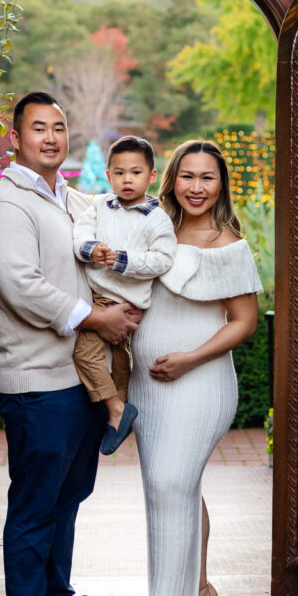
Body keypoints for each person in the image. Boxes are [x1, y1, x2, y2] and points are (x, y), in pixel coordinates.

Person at [0, 91, 140, 596]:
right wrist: (98, 318)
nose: (50, 137)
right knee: (35, 503)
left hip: (75, 380)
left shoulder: (70, 200)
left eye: (59, 127)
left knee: (69, 495)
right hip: (35, 382)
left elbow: (120, 220)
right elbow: (21, 288)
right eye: (38, 128)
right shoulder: (7, 206)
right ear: (15, 138)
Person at [128, 140, 263, 596]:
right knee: (175, 488)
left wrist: (187, 358)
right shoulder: (150, 227)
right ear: (172, 179)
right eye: (188, 176)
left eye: (208, 177)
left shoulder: (229, 245)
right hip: (148, 387)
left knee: (169, 485)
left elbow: (243, 322)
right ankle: (199, 591)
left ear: (221, 184)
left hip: (202, 383)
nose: (197, 187)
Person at [72, 136, 177, 451]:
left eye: (135, 172)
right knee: (117, 359)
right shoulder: (99, 205)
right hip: (100, 300)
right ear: (107, 176)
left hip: (127, 304)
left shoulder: (157, 219)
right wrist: (92, 250)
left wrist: (120, 260)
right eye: (119, 173)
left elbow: (162, 259)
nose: (127, 179)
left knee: (86, 354)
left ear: (151, 176)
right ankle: (119, 412)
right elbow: (79, 234)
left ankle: (117, 410)